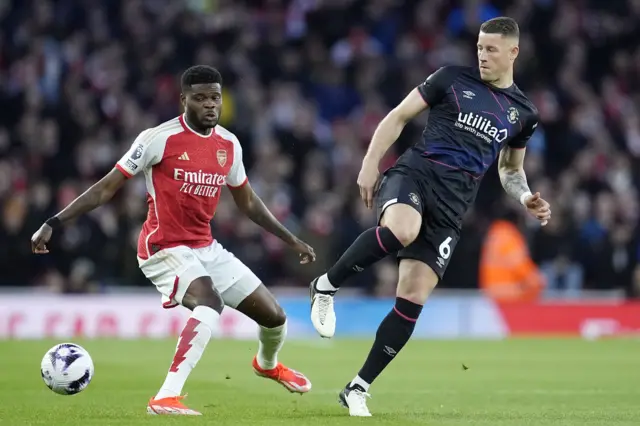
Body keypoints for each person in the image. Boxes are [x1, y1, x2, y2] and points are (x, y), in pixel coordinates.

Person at [31, 65, 316, 416]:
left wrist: (292, 240)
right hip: (162, 247)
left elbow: (248, 203)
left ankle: (267, 364)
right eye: (200, 98)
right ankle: (165, 397)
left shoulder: (228, 144)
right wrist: (53, 222)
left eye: (215, 97)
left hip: (205, 247)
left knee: (275, 318)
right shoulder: (158, 138)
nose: (210, 105)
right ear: (184, 100)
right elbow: (106, 188)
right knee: (209, 304)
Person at [309, 17, 551, 416]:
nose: (482, 55)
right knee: (402, 229)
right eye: (479, 47)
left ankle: (357, 387)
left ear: (514, 52)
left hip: (454, 205)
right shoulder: (451, 79)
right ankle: (326, 285)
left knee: (413, 297)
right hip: (416, 174)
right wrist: (370, 164)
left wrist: (524, 196)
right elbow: (398, 116)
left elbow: (510, 170)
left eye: (491, 49)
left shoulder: (523, 113)